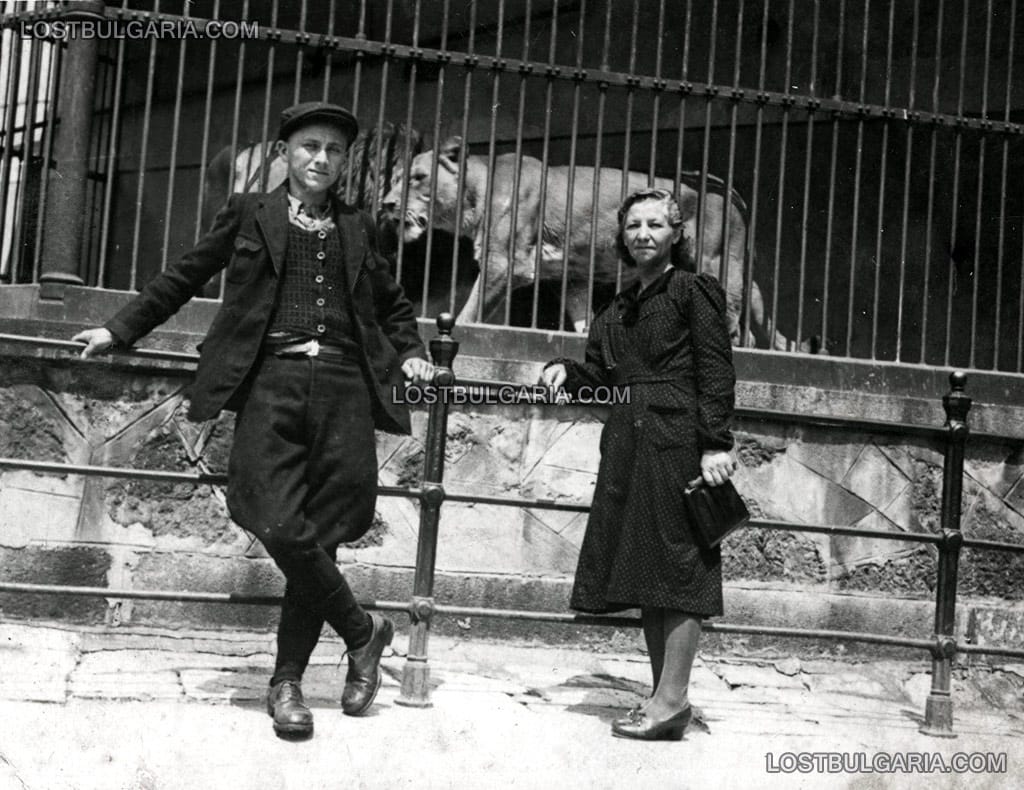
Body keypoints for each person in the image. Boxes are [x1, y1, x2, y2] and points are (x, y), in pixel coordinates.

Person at [72, 101, 434, 739]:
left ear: (344, 162)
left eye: (334, 150)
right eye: (309, 147)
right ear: (285, 153)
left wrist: (412, 356)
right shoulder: (249, 213)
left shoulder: (357, 225)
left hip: (347, 386)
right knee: (262, 509)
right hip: (273, 379)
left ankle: (287, 682)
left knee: (322, 531)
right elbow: (184, 274)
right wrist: (119, 327)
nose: (321, 159)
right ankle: (363, 628)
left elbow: (393, 305)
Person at [541, 187, 737, 741]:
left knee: (677, 567)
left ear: (677, 234)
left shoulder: (692, 290)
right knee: (650, 571)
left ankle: (670, 699)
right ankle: (664, 702)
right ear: (621, 237)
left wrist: (716, 443)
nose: (643, 234)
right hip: (627, 443)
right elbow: (603, 378)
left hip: (676, 441)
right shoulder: (617, 306)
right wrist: (566, 370)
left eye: (655, 224)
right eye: (633, 226)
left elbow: (716, 370)